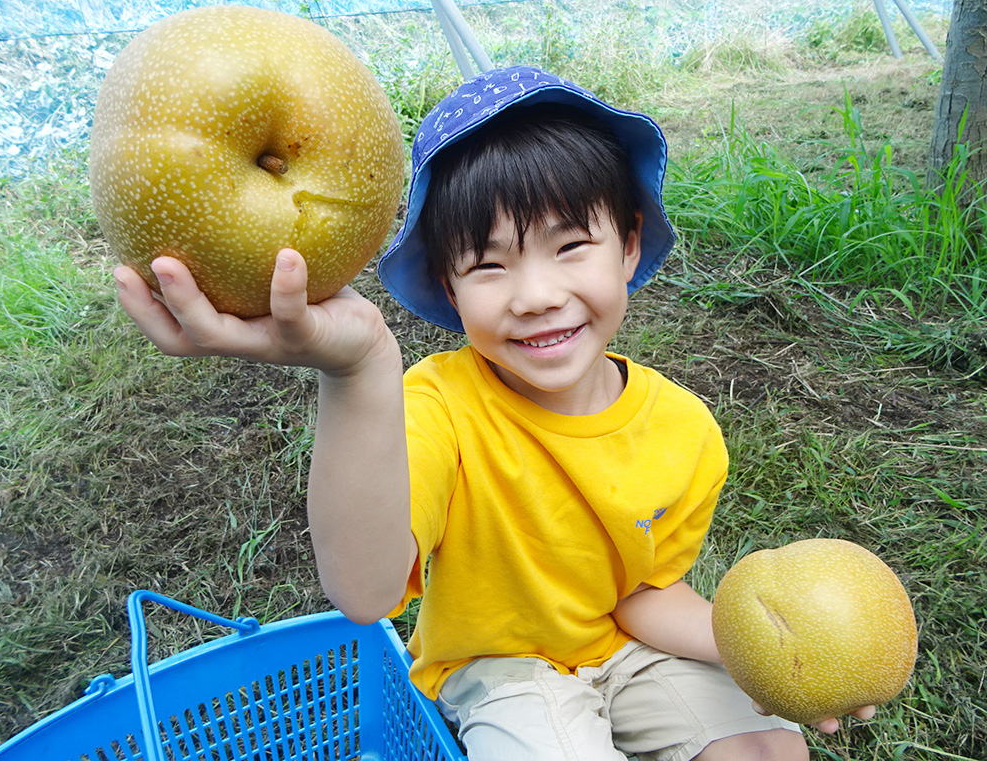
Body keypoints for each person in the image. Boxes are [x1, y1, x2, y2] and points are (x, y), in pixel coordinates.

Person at [114, 65, 875, 760]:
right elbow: (365, 591)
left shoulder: (683, 431)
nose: (535, 293)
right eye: (487, 264)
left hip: (623, 645)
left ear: (631, 247)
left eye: (571, 244)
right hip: (501, 666)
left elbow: (642, 595)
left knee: (770, 748)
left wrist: (760, 647)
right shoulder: (439, 407)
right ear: (449, 289)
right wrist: (358, 373)